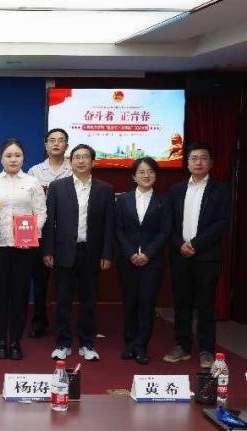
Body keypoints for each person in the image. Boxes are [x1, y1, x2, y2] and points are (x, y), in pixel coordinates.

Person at [43, 144, 114, 362]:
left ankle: (87, 343)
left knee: (89, 301)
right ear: (70, 161)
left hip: (91, 253)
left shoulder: (105, 189)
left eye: (85, 157)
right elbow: (49, 222)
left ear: (93, 162)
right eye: (76, 157)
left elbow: (109, 224)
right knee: (63, 300)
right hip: (63, 251)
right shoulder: (57, 187)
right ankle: (63, 343)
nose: (81, 161)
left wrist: (107, 253)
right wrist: (48, 250)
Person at [163, 143, 231, 369]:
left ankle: (206, 349)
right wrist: (180, 245)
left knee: (206, 305)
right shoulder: (176, 189)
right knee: (181, 303)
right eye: (194, 158)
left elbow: (222, 223)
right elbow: (169, 224)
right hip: (180, 255)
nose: (198, 162)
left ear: (210, 163)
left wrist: (195, 244)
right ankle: (182, 346)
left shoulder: (220, 190)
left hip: (206, 257)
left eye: (203, 158)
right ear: (188, 162)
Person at [0, 139, 46, 361]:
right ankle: (0, 340)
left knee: (19, 294)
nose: (13, 159)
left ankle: (15, 341)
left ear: (23, 158)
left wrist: (33, 231)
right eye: (8, 156)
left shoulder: (33, 182)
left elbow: (41, 212)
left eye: (17, 155)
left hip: (23, 247)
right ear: (1, 159)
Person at [115, 157, 170, 365]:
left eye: (151, 172)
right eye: (142, 172)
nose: (146, 175)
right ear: (133, 176)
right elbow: (118, 229)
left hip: (152, 262)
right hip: (127, 261)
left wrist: (147, 253)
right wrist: (130, 253)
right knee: (129, 303)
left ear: (156, 175)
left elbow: (165, 231)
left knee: (146, 304)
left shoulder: (164, 201)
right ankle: (129, 344)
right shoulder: (123, 200)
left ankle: (141, 346)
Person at [27, 128, 72, 338]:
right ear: (45, 146)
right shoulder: (35, 171)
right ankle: (39, 321)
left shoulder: (74, 169)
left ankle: (66, 323)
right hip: (41, 232)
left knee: (66, 282)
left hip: (66, 233)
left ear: (66, 146)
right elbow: (27, 204)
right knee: (39, 282)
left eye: (60, 140)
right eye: (52, 140)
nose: (56, 144)